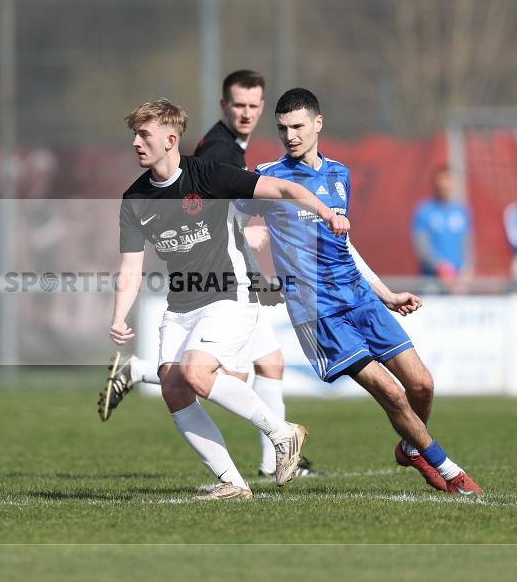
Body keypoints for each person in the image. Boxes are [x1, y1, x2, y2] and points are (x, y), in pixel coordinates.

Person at [237, 88, 484, 495]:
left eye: (298, 126)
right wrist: (253, 233)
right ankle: (451, 471)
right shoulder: (268, 176)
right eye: (282, 128)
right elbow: (233, 219)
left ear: (318, 123)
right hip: (320, 311)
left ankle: (411, 446)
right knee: (390, 391)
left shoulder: (339, 175)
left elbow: (344, 244)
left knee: (421, 385)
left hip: (360, 296)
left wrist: (384, 292)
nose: (290, 136)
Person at [110, 99, 349, 500]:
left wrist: (326, 213)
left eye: (143, 134)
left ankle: (283, 432)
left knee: (196, 372)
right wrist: (119, 317)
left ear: (170, 140)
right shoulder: (135, 199)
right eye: (134, 134)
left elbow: (283, 188)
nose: (135, 142)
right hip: (181, 305)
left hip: (229, 296)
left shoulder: (207, 174)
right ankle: (231, 483)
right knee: (173, 388)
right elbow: (131, 267)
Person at [411, 166, 472, 285]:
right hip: (431, 279)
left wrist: (467, 270)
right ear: (434, 183)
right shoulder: (424, 210)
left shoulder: (462, 210)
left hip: (458, 281)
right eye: (441, 180)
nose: (444, 185)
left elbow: (467, 244)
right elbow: (421, 246)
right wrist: (440, 267)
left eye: (448, 180)